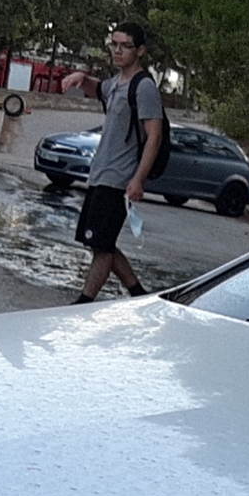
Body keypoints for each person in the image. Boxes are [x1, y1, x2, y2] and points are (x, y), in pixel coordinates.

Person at [60, 24, 166, 303]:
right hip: (101, 174)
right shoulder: (117, 83)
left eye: (125, 45)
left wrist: (138, 179)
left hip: (118, 178)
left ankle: (84, 301)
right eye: (114, 44)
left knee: (101, 245)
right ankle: (139, 295)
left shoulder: (144, 88)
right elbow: (99, 89)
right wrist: (81, 77)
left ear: (140, 50)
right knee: (99, 241)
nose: (117, 51)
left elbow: (154, 136)